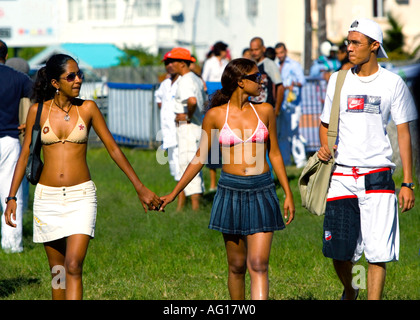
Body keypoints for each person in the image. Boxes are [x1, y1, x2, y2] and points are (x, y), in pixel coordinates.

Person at [4, 53, 162, 300]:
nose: (78, 80)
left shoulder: (88, 108)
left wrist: (139, 187)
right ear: (56, 83)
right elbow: (24, 155)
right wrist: (11, 197)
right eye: (71, 76)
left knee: (74, 266)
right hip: (47, 199)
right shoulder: (37, 111)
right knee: (58, 272)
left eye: (80, 75)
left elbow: (113, 148)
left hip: (81, 196)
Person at [159, 58, 295, 300]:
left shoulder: (264, 111)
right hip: (230, 192)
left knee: (259, 265)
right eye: (256, 77)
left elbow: (274, 153)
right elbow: (200, 157)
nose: (261, 80)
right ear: (240, 82)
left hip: (262, 190)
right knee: (236, 266)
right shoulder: (215, 116)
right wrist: (174, 192)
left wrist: (287, 192)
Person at [317, 18, 417, 300]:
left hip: (378, 176)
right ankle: (352, 288)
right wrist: (325, 145)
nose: (349, 48)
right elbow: (326, 123)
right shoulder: (337, 80)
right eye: (347, 42)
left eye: (355, 42)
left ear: (374, 46)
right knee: (339, 248)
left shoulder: (392, 83)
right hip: (342, 176)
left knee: (376, 251)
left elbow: (403, 133)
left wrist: (407, 182)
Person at [0, 40, 33, 253]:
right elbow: (41, 96)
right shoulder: (19, 78)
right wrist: (28, 122)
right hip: (9, 140)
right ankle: (12, 246)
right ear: (6, 54)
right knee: (11, 195)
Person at [165, 47, 206, 211]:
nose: (170, 65)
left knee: (190, 168)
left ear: (182, 63)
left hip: (189, 129)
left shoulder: (187, 80)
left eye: (172, 61)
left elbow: (192, 101)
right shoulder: (194, 78)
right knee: (189, 167)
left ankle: (195, 209)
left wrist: (187, 116)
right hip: (193, 129)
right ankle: (192, 206)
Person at [202, 41, 229, 191]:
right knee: (213, 143)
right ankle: (213, 183)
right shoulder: (210, 62)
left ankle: (225, 181)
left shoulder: (226, 62)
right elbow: (205, 80)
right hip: (213, 98)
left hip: (224, 98)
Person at [275, 42, 307, 168]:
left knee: (294, 132)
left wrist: (291, 85)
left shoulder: (294, 65)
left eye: (281, 53)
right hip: (282, 104)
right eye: (277, 53)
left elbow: (302, 81)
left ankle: (300, 160)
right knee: (282, 133)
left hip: (293, 104)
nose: (280, 55)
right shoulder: (276, 65)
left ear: (286, 51)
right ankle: (286, 160)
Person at [155, 52, 182, 184]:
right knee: (174, 167)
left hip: (181, 132)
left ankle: (189, 202)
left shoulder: (184, 82)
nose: (169, 65)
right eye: (167, 63)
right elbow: (158, 98)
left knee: (183, 167)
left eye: (172, 62)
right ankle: (182, 201)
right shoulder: (165, 83)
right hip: (168, 133)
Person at [249, 37, 284, 116]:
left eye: (256, 49)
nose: (254, 52)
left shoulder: (269, 64)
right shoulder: (252, 66)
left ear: (263, 49)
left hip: (266, 111)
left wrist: (277, 110)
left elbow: (280, 87)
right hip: (253, 111)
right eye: (252, 50)